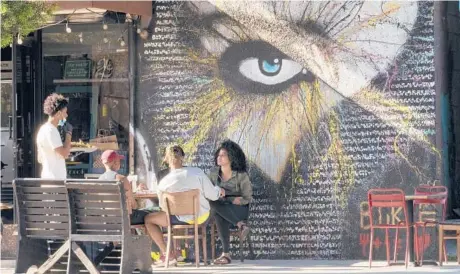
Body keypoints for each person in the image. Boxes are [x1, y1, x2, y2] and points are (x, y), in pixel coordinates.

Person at [144, 144, 224, 267]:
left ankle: (168, 254)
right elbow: (213, 196)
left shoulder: (163, 183)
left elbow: (163, 207)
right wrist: (219, 190)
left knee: (148, 219)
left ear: (166, 160)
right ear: (183, 157)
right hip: (201, 217)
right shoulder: (197, 172)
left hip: (177, 218)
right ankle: (177, 253)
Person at [208, 140, 253, 265]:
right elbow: (207, 192)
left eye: (223, 155)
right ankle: (241, 225)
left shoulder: (241, 175)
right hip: (221, 206)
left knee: (218, 210)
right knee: (215, 205)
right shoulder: (213, 173)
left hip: (239, 210)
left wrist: (228, 198)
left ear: (231, 157)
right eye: (218, 155)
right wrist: (229, 197)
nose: (219, 157)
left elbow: (247, 198)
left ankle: (226, 254)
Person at [99, 150, 148, 223]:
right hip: (125, 219)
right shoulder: (121, 179)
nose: (120, 163)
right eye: (119, 160)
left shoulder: (99, 180)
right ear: (115, 162)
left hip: (107, 220)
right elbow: (134, 205)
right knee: (151, 216)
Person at [36, 93, 72, 179]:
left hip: (48, 177)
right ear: (59, 113)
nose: (66, 116)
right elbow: (65, 153)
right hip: (55, 181)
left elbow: (39, 158)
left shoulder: (43, 129)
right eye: (65, 112)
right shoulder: (51, 130)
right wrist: (69, 133)